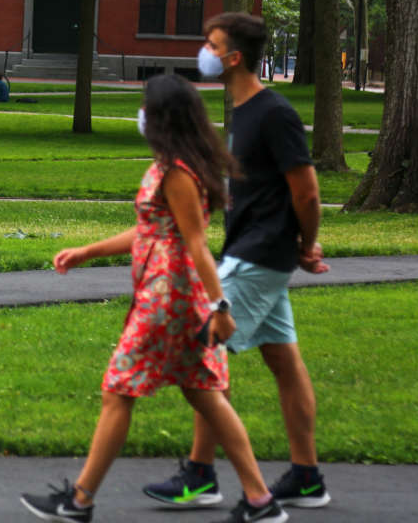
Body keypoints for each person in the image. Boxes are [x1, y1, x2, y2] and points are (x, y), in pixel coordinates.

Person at [20, 74, 285, 523]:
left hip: (168, 301)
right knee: (206, 395)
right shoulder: (172, 165)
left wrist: (221, 307)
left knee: (118, 389)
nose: (140, 113)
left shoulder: (177, 171)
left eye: (146, 105)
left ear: (162, 116)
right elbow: (152, 230)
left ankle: (80, 500)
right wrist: (88, 251)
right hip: (173, 298)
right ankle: (260, 501)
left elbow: (196, 243)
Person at [141, 11, 330, 511]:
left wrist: (307, 244)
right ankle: (307, 477)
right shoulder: (242, 112)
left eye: (211, 43)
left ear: (234, 56)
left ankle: (202, 474)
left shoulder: (273, 113)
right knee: (284, 362)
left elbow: (307, 192)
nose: (204, 50)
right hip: (252, 248)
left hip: (259, 254)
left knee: (205, 352)